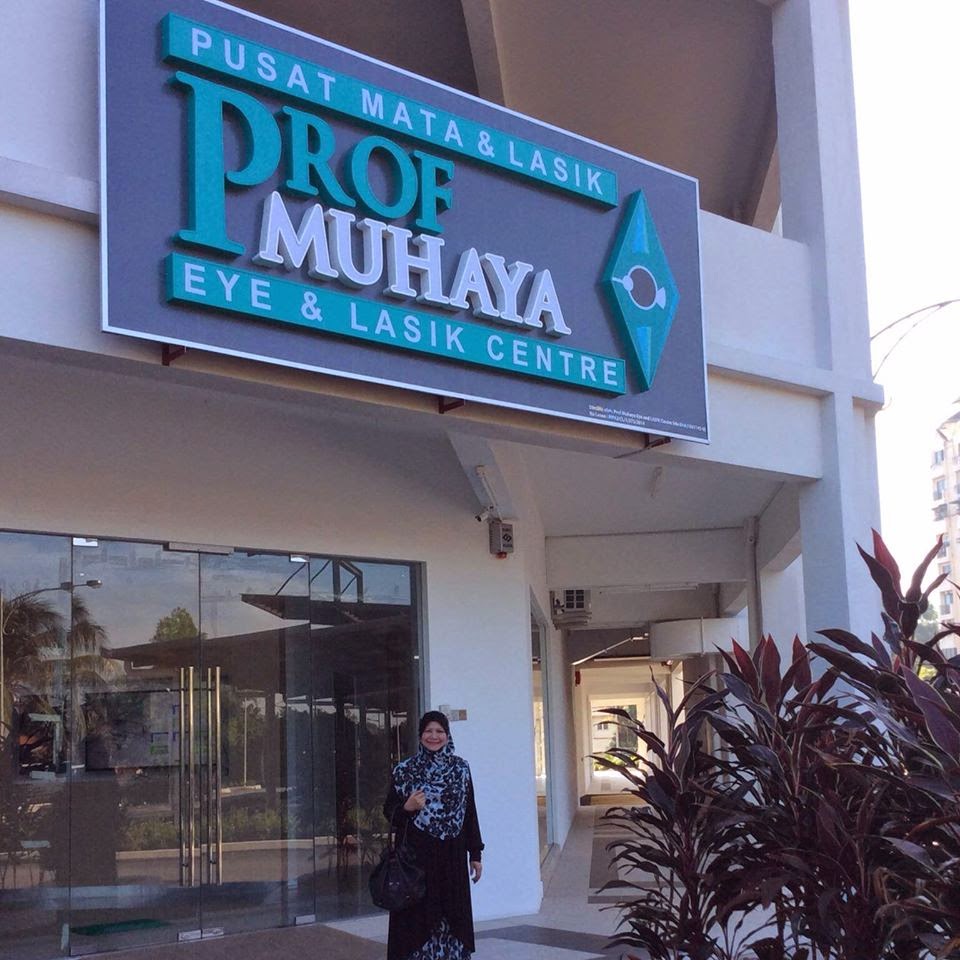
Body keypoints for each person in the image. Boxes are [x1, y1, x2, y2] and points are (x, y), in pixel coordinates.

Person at [383, 710, 483, 960]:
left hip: (451, 860)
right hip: (417, 862)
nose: (434, 736)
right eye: (428, 731)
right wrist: (407, 807)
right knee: (418, 919)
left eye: (440, 731)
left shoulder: (461, 769)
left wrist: (476, 854)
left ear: (448, 736)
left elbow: (469, 813)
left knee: (451, 917)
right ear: (420, 736)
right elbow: (389, 812)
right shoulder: (405, 770)